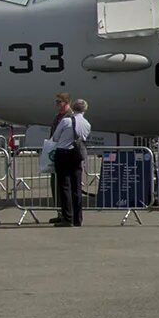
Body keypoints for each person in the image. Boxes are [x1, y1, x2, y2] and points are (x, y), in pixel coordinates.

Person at [49, 97, 92, 227]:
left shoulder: (66, 121)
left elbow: (55, 137)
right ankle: (78, 218)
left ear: (73, 107)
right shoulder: (87, 124)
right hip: (77, 155)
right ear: (85, 110)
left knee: (64, 187)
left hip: (63, 153)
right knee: (77, 187)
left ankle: (67, 218)